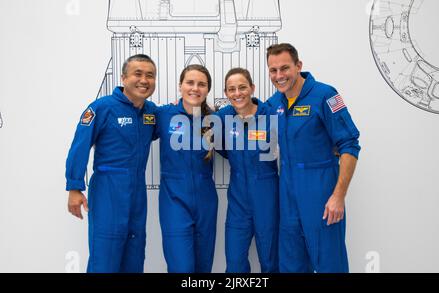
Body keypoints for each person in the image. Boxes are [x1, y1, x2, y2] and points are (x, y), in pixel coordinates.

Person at [265, 43, 361, 273]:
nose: (279, 76)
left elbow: (349, 145)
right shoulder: (274, 103)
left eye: (284, 68)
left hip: (320, 192)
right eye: (273, 70)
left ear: (298, 66)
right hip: (287, 194)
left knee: (330, 263)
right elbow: (248, 113)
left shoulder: (325, 95)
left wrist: (338, 196)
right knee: (291, 263)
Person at [65, 54, 158, 273]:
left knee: (134, 254)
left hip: (137, 191)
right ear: (124, 78)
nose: (144, 80)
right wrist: (74, 186)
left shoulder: (151, 112)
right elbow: (80, 146)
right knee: (105, 257)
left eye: (150, 75)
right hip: (108, 189)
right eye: (138, 74)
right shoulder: (102, 108)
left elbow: (167, 126)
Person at [154, 64, 218, 273]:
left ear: (207, 89)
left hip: (206, 199)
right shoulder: (163, 114)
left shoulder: (215, 119)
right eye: (190, 83)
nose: (195, 88)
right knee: (181, 267)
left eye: (201, 84)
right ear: (180, 86)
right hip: (174, 199)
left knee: (203, 266)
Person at [216, 68, 279, 273]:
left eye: (242, 87)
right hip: (238, 199)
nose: (237, 93)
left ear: (252, 88)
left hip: (267, 195)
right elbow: (203, 131)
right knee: (234, 263)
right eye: (231, 89)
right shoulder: (222, 117)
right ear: (226, 93)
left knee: (270, 261)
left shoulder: (270, 114)